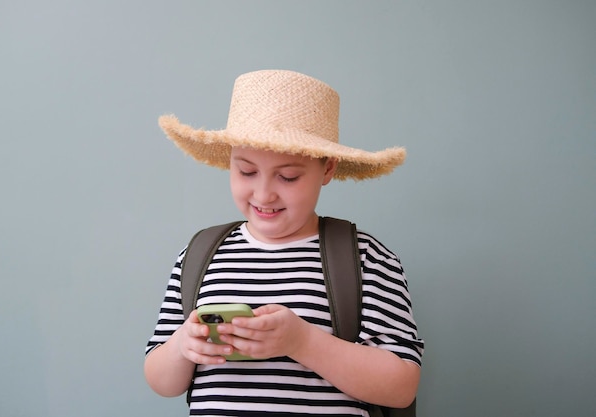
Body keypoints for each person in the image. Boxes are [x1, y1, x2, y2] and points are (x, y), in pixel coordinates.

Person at [144, 69, 424, 416]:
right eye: (246, 171)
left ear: (327, 169)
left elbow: (401, 387)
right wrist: (183, 346)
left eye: (288, 176)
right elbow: (161, 381)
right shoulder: (199, 256)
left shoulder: (365, 259)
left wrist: (301, 341)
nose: (263, 193)